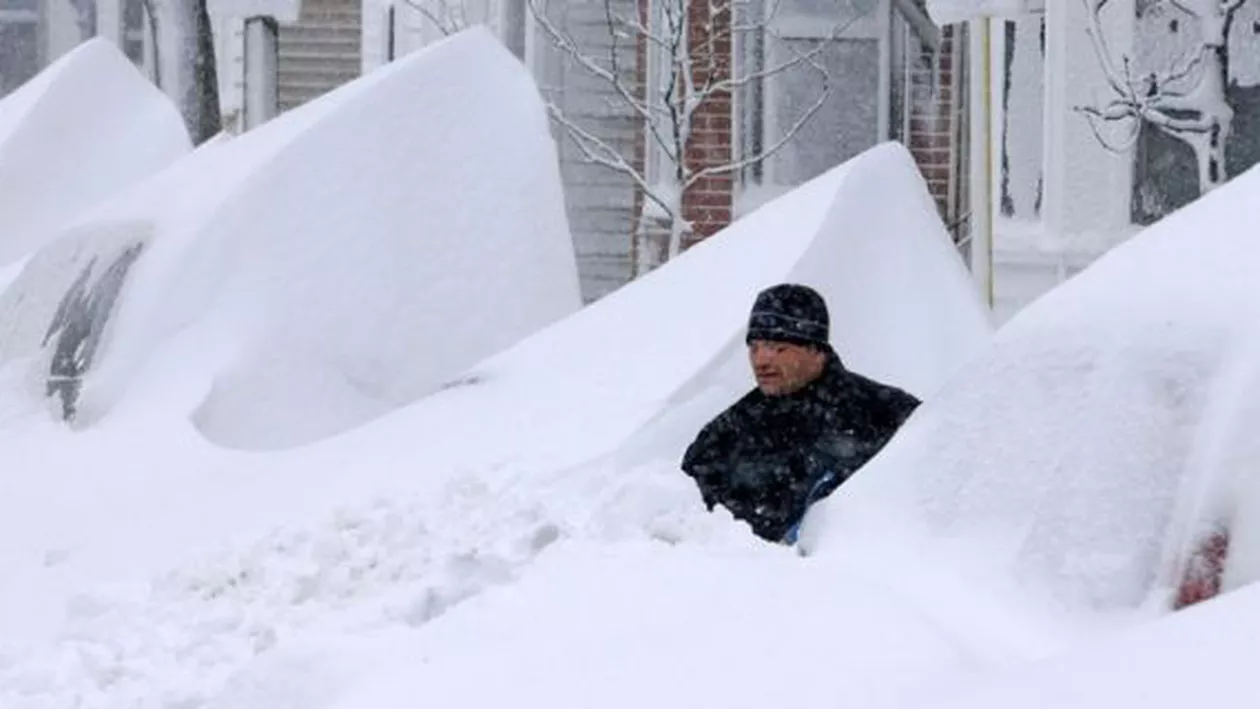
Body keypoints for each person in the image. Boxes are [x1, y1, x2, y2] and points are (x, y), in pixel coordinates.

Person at [681, 283, 920, 543]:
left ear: (816, 351)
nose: (761, 360)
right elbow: (684, 519)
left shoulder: (887, 414)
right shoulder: (726, 434)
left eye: (777, 348)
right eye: (754, 347)